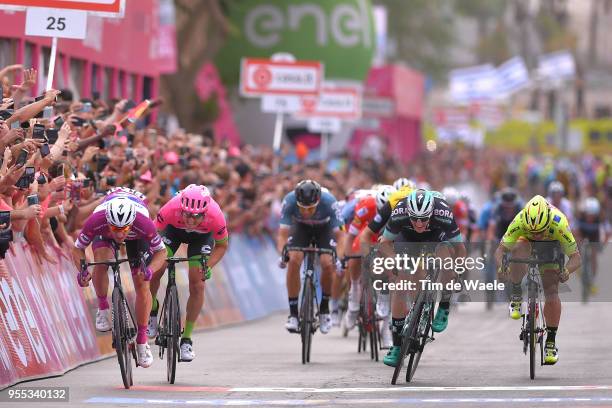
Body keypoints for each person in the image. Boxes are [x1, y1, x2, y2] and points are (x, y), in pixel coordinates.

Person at [72, 195, 167, 368]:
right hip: (104, 234)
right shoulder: (97, 220)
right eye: (115, 228)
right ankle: (103, 308)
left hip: (137, 237)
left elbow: (162, 253)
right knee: (102, 259)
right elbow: (78, 248)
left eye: (124, 228)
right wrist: (83, 271)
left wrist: (150, 269)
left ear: (131, 222)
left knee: (141, 282)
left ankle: (142, 341)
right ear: (108, 221)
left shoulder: (143, 222)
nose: (120, 233)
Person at [380, 189, 466, 367]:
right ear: (408, 213)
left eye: (424, 219)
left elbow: (460, 249)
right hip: (407, 238)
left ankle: (444, 306)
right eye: (415, 219)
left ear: (431, 213)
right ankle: (397, 345)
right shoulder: (400, 211)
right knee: (401, 284)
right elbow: (385, 244)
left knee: (447, 262)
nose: (419, 223)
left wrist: (457, 270)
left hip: (436, 237)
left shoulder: (442, 212)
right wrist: (393, 260)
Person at [495, 195, 581, 365]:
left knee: (551, 291)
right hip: (525, 243)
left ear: (548, 222)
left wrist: (566, 271)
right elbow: (500, 251)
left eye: (540, 231)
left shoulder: (559, 222)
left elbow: (576, 258)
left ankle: (550, 342)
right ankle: (517, 293)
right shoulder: (520, 220)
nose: (537, 235)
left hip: (551, 246)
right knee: (517, 250)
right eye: (532, 231)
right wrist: (502, 266)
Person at [148, 184, 229, 362]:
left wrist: (208, 266)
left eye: (196, 216)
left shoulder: (215, 215)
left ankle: (187, 339)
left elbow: (222, 246)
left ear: (205, 212)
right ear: (181, 208)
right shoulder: (170, 207)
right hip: (173, 233)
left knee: (197, 283)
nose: (190, 221)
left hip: (201, 239)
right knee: (157, 268)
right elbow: (151, 235)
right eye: (186, 214)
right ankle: (152, 309)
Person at [277, 180, 344, 334]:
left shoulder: (330, 202)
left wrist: (339, 258)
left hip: (324, 229)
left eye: (311, 208)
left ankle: (324, 309)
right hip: (301, 228)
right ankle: (293, 314)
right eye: (303, 208)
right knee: (293, 259)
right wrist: (283, 253)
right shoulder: (289, 200)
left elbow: (342, 236)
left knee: (327, 263)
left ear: (318, 201)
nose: (306, 212)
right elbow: (282, 235)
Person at [343, 185, 395, 348]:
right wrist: (347, 256)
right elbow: (351, 236)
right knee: (356, 257)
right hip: (367, 232)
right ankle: (355, 292)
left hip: (387, 235)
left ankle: (386, 329)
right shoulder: (366, 207)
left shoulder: (398, 211)